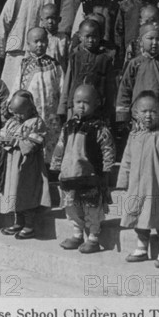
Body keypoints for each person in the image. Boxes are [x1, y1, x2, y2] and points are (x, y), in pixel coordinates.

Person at [117, 91, 159, 267]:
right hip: (138, 187)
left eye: (153, 111)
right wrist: (123, 181)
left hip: (158, 187)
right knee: (139, 218)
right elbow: (126, 160)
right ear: (135, 114)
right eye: (144, 111)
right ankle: (141, 248)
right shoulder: (134, 136)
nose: (148, 115)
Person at [51, 85, 116, 253]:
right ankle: (77, 234)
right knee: (72, 207)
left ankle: (93, 237)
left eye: (86, 102)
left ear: (96, 104)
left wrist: (107, 169)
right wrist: (57, 165)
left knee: (92, 207)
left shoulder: (99, 127)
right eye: (78, 102)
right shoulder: (68, 126)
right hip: (69, 175)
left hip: (90, 175)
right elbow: (60, 146)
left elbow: (108, 149)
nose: (81, 106)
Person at [0, 91, 49, 240]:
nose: (18, 116)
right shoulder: (12, 122)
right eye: (15, 112)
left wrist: (16, 142)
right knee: (14, 193)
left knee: (26, 194)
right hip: (11, 164)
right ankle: (18, 222)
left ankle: (29, 226)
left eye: (21, 113)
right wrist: (1, 139)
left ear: (30, 109)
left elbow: (34, 144)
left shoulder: (36, 122)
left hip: (28, 166)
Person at [9, 27, 63, 161]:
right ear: (28, 44)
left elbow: (62, 86)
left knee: (52, 139)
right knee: (32, 138)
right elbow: (17, 88)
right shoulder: (24, 65)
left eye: (43, 41)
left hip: (51, 112)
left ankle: (51, 168)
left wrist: (63, 107)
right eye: (36, 41)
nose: (40, 44)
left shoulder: (54, 64)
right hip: (31, 114)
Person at [116, 23, 159, 124]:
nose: (155, 42)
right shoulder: (135, 63)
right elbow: (125, 89)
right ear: (140, 41)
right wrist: (123, 115)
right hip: (139, 113)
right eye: (150, 38)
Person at [58, 19, 116, 122]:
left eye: (94, 37)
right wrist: (63, 107)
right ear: (80, 37)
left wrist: (110, 109)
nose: (90, 40)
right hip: (75, 106)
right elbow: (68, 83)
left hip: (98, 107)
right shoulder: (75, 57)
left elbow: (110, 87)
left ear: (100, 37)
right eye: (87, 36)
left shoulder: (104, 59)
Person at [115, 0, 159, 66]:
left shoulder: (155, 5)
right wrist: (120, 55)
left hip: (151, 50)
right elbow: (119, 31)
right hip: (131, 50)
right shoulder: (125, 5)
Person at [40, 3, 70, 73]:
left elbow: (69, 60)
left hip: (59, 75)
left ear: (59, 19)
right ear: (42, 20)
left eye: (53, 18)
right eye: (47, 18)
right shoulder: (39, 37)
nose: (50, 21)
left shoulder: (64, 38)